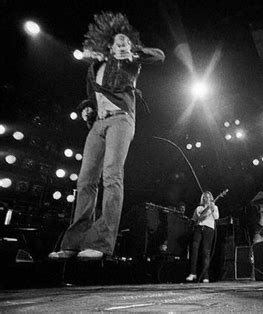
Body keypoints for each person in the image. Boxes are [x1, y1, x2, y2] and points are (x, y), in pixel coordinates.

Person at [48, 12, 165, 261]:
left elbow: (160, 55)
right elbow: (92, 96)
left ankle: (101, 243)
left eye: (126, 41)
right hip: (98, 125)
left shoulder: (130, 61)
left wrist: (135, 53)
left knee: (111, 176)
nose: (123, 43)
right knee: (85, 181)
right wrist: (87, 108)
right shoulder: (94, 67)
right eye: (118, 41)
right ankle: (73, 243)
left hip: (121, 120)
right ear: (109, 45)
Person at [186, 191, 219, 283]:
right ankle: (192, 273)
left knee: (206, 252)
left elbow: (216, 217)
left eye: (208, 197)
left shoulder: (214, 207)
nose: (206, 198)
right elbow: (196, 218)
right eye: (204, 196)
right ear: (202, 198)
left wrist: (212, 209)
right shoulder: (199, 208)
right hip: (198, 228)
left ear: (211, 198)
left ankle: (205, 276)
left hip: (209, 229)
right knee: (194, 249)